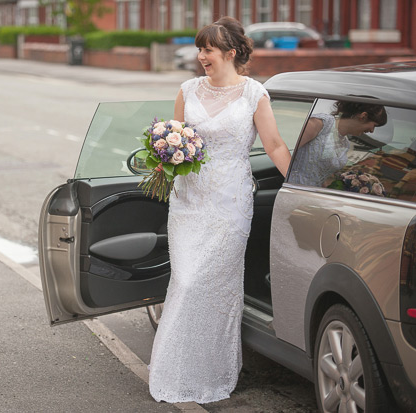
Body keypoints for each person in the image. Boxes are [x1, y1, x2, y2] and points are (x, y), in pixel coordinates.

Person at [148, 16, 291, 404]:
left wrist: (300, 182)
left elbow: (275, 144)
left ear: (230, 53)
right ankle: (174, 371)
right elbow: (175, 135)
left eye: (207, 49)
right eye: (199, 49)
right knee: (185, 281)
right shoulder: (187, 89)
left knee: (211, 286)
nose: (200, 56)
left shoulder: (253, 94)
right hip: (188, 202)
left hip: (230, 203)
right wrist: (163, 156)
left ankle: (211, 373)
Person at [289, 100, 387, 187]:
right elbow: (285, 150)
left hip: (312, 195)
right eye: (374, 125)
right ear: (363, 116)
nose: (372, 131)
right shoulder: (319, 124)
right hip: (292, 189)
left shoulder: (345, 143)